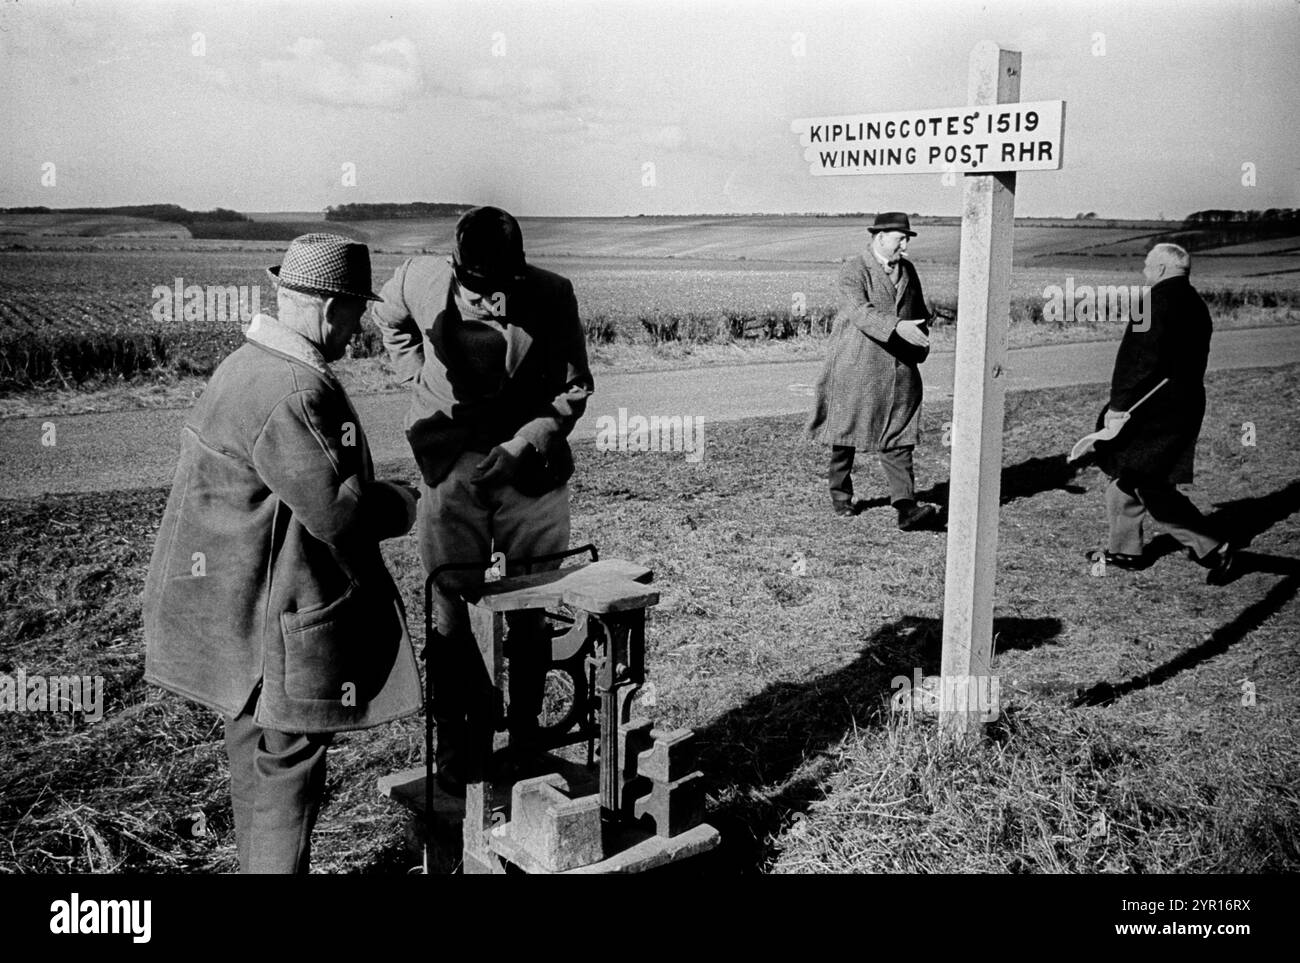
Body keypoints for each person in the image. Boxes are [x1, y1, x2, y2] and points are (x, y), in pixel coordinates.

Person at [142, 233, 423, 874]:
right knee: (286, 769)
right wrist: (403, 504)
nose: (360, 328)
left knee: (257, 758)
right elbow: (340, 512)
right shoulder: (295, 389)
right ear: (328, 307)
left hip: (232, 618)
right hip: (272, 626)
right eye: (355, 311)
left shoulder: (246, 365)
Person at [370, 206, 593, 793]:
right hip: (450, 465)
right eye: (477, 291)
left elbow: (574, 387)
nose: (491, 302)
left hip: (530, 474)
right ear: (453, 269)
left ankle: (524, 745)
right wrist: (415, 377)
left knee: (530, 606)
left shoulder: (552, 294)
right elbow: (387, 317)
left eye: (501, 291)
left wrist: (525, 444)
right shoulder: (418, 280)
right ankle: (457, 751)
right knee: (449, 612)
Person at [1095, 242, 1235, 585]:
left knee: (1146, 483)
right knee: (1128, 477)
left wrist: (1117, 407)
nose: (1144, 272)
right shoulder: (1196, 304)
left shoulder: (1150, 302)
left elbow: (1135, 360)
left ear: (1160, 269)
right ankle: (1126, 549)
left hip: (1151, 411)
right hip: (1183, 404)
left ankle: (1214, 548)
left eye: (1146, 266)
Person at [807, 211, 943, 530]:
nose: (905, 245)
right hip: (857, 366)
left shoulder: (908, 270)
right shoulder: (853, 270)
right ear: (880, 237)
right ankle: (841, 497)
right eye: (900, 238)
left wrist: (922, 339)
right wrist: (897, 327)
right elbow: (859, 311)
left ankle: (906, 507)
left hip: (899, 369)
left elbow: (919, 312)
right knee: (845, 434)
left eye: (907, 238)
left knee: (899, 436)